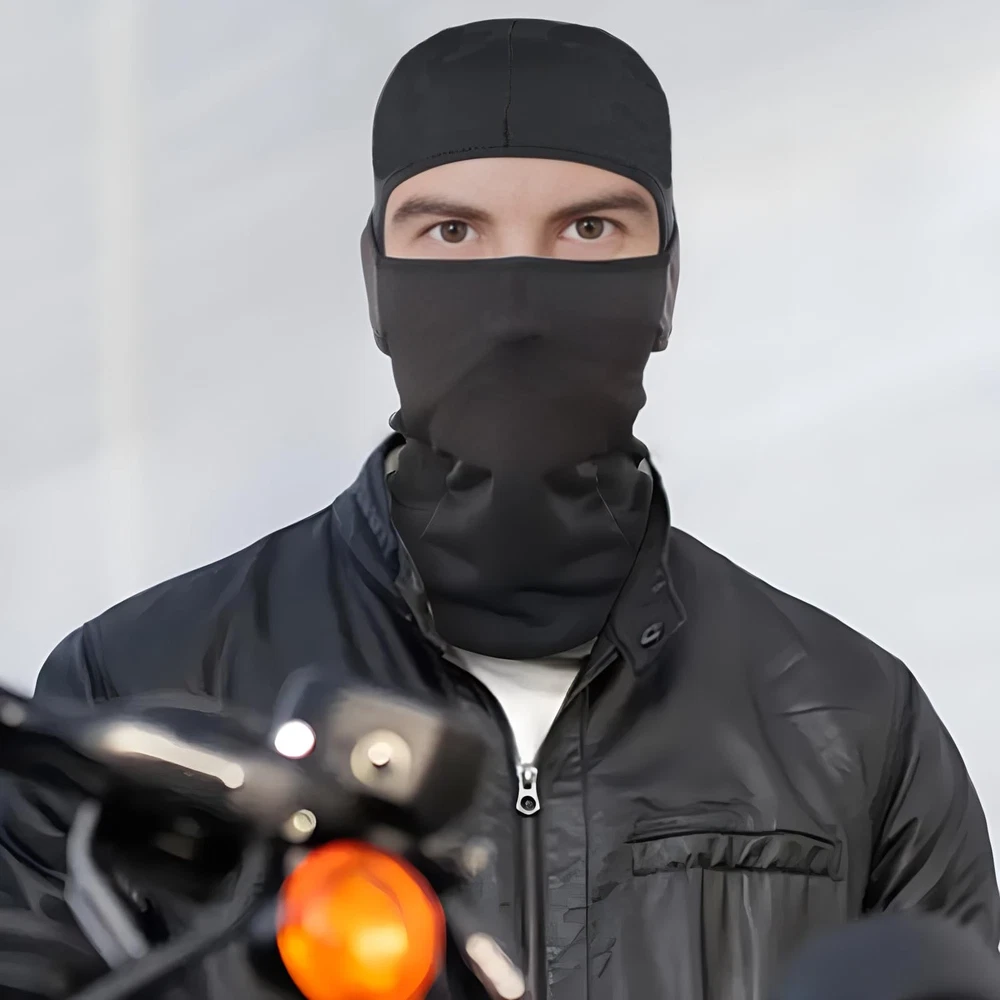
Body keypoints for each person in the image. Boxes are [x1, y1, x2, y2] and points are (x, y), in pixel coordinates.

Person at [0, 17, 997, 1000]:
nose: (516, 307)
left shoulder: (855, 722)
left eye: (589, 229)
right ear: (378, 283)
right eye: (452, 231)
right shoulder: (138, 685)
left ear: (665, 283)